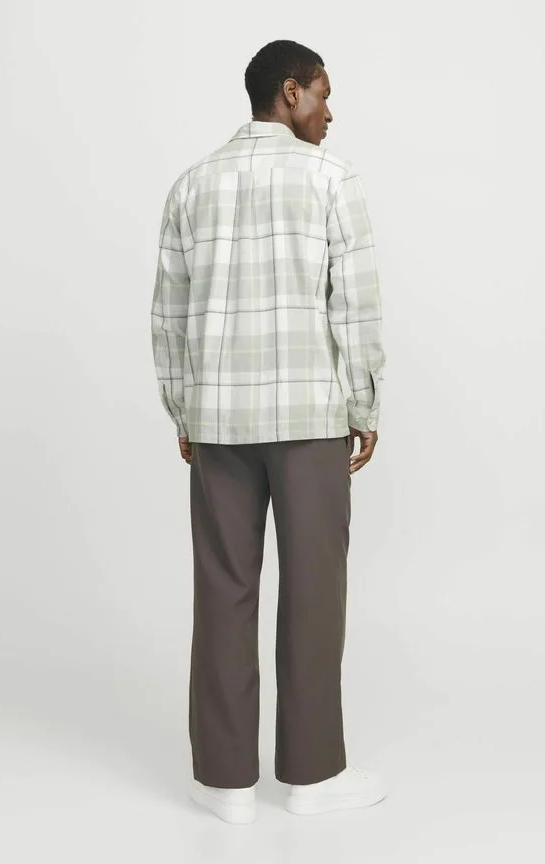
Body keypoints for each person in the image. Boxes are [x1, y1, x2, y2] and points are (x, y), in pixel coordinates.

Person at [150, 39, 387, 823]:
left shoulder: (192, 185)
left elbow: (168, 315)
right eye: (323, 93)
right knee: (315, 592)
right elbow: (355, 305)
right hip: (310, 419)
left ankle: (225, 785)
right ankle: (312, 779)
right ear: (290, 92)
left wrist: (183, 408)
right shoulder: (330, 178)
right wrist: (364, 405)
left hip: (219, 421)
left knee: (222, 590)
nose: (329, 111)